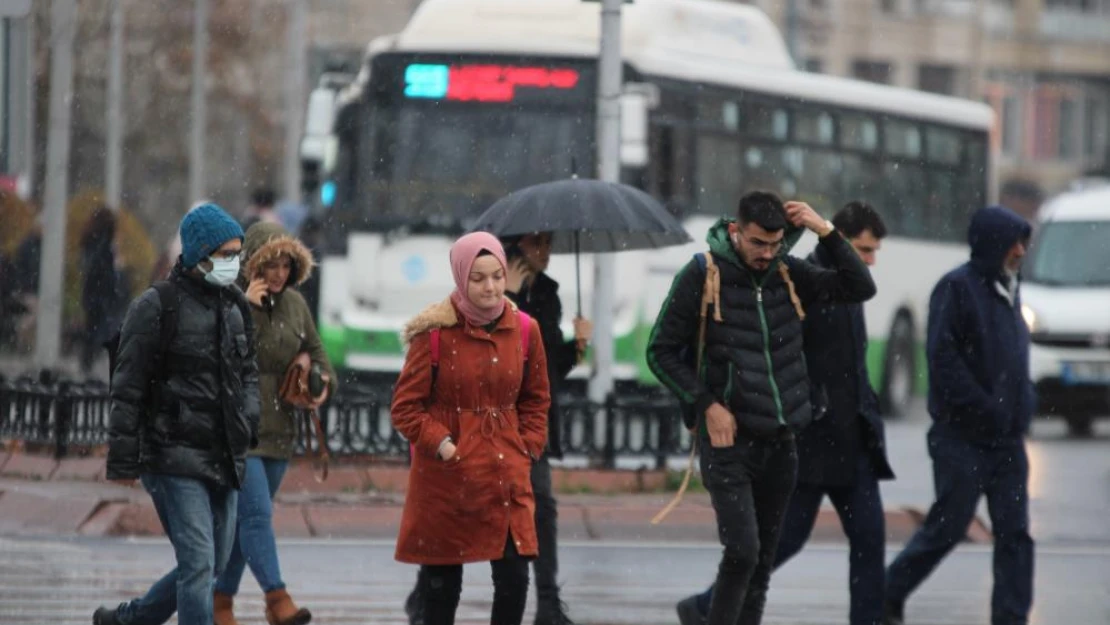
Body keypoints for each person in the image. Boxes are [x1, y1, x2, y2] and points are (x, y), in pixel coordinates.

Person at [647, 191, 876, 625]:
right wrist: (706, 404)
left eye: (774, 244)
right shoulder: (703, 274)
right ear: (736, 231)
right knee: (742, 552)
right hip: (729, 444)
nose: (766, 254)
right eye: (757, 243)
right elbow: (660, 352)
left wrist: (822, 229)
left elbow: (859, 286)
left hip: (782, 442)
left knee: (761, 567)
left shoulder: (788, 272)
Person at [93, 202, 261, 625]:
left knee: (212, 564)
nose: (233, 264)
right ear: (200, 254)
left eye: (237, 254)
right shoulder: (157, 306)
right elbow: (127, 387)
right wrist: (124, 457)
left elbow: (249, 373)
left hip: (224, 453)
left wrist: (250, 419)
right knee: (200, 563)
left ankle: (131, 619)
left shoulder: (236, 307)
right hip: (172, 456)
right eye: (226, 255)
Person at [883, 205, 1034, 625]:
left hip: (1006, 440)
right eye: (1013, 242)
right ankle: (887, 593)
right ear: (992, 244)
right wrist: (988, 408)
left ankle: (1011, 617)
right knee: (948, 528)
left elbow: (1015, 359)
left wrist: (1024, 405)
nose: (1020, 250)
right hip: (961, 437)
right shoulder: (956, 288)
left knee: (1015, 535)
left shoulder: (1010, 289)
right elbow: (943, 362)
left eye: (1023, 242)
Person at [391, 231, 551, 625]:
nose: (490, 287)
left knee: (514, 579)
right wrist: (444, 444)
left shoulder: (526, 329)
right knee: (442, 589)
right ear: (461, 277)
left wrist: (528, 445)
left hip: (505, 472)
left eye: (497, 276)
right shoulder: (433, 333)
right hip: (448, 478)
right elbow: (405, 408)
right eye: (478, 278)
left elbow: (536, 398)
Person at [213, 222, 337, 625]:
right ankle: (276, 599)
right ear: (251, 264)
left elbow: (321, 359)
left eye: (286, 264)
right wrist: (243, 305)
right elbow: (215, 356)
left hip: (279, 434)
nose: (279, 273)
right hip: (239, 431)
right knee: (256, 516)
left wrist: (314, 376)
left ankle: (220, 604)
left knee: (241, 530)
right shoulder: (229, 301)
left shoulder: (297, 305)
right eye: (270, 264)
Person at [80, 205, 122, 374]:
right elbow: (102, 268)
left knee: (93, 329)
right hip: (100, 294)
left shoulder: (90, 240)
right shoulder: (103, 243)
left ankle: (88, 363)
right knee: (100, 330)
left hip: (92, 293)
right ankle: (91, 365)